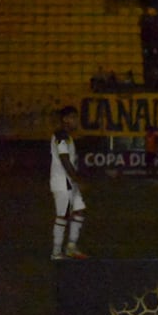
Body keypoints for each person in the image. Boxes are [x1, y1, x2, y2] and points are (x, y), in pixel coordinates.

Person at [50, 106, 88, 260]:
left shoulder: (67, 137)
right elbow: (65, 160)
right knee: (63, 216)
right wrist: (78, 179)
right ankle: (56, 252)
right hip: (62, 182)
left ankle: (71, 247)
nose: (76, 121)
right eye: (73, 117)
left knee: (79, 211)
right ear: (65, 119)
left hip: (70, 182)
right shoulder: (61, 136)